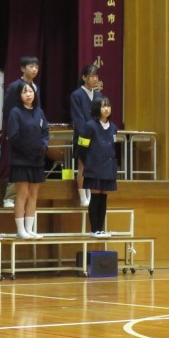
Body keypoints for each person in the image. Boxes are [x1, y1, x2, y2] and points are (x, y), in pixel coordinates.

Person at [7, 81, 49, 240]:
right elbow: (14, 137)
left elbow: (45, 132)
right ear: (19, 95)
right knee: (22, 193)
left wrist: (43, 147)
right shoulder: (15, 112)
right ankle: (20, 230)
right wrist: (30, 150)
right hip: (21, 159)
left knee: (33, 193)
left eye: (30, 91)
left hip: (37, 159)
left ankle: (29, 229)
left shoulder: (39, 112)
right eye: (24, 92)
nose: (28, 94)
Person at [0, 56, 40, 208]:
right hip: (18, 133)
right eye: (31, 66)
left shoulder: (35, 87)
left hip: (32, 134)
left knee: (30, 165)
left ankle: (25, 199)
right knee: (18, 165)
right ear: (23, 68)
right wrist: (11, 130)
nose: (34, 69)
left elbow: (37, 110)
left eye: (36, 66)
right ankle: (9, 197)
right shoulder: (14, 86)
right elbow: (7, 110)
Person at [77, 97, 117, 238]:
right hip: (94, 167)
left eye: (108, 106)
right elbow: (81, 147)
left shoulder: (113, 127)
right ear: (97, 109)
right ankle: (94, 229)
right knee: (95, 197)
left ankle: (101, 228)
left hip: (108, 167)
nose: (106, 109)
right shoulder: (90, 126)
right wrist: (89, 162)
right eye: (103, 106)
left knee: (103, 198)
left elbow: (114, 147)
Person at [70, 64, 102, 207]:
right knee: (83, 165)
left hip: (96, 137)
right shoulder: (76, 95)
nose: (95, 79)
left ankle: (91, 195)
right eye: (92, 76)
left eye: (96, 76)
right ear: (84, 77)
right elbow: (78, 118)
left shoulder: (99, 95)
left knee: (93, 166)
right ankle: (83, 196)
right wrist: (88, 133)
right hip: (82, 136)